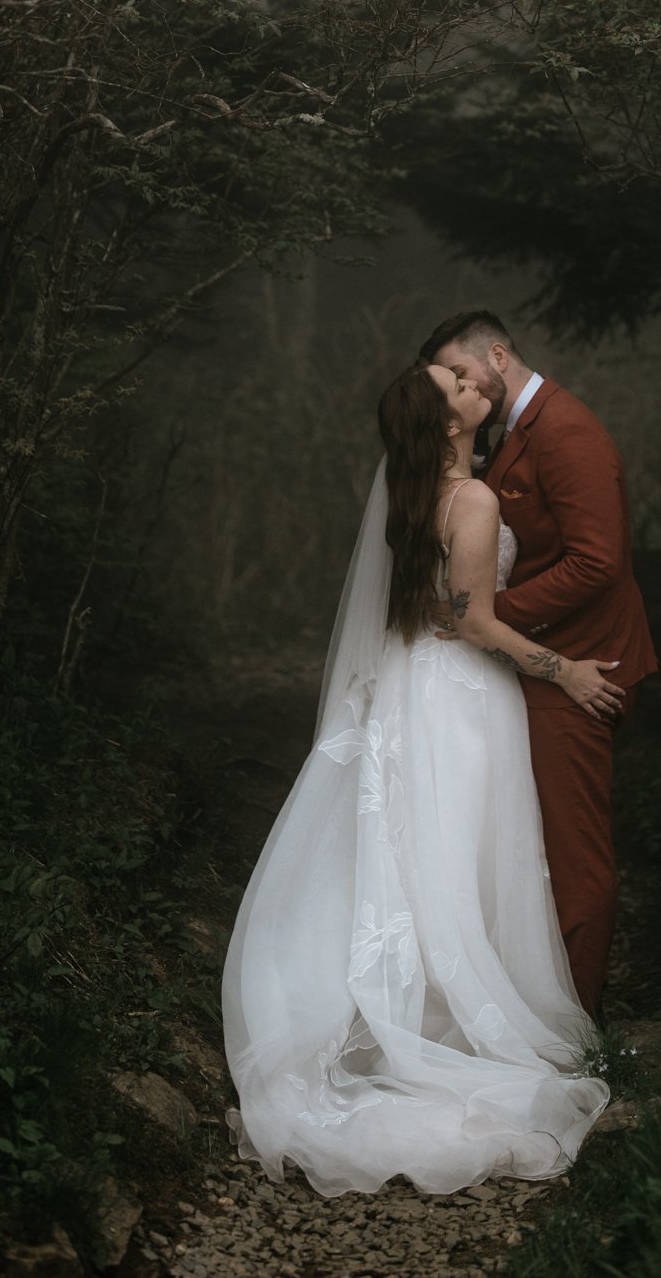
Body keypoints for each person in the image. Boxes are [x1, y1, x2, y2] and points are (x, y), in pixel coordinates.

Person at [220, 358, 620, 1196]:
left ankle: (428, 1005)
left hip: (410, 683)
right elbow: (474, 622)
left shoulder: (411, 498)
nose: (478, 383)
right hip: (462, 696)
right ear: (448, 425)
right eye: (459, 386)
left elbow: (440, 605)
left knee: (419, 844)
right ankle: (452, 1021)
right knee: (458, 843)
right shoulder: (469, 499)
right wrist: (564, 670)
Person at [421, 311, 657, 1019]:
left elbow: (597, 562)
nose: (459, 389)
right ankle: (528, 1006)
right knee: (529, 849)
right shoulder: (514, 435)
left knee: (573, 854)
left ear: (498, 354)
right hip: (530, 662)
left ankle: (577, 1028)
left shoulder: (567, 430)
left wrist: (483, 616)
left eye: (461, 374)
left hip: (583, 662)